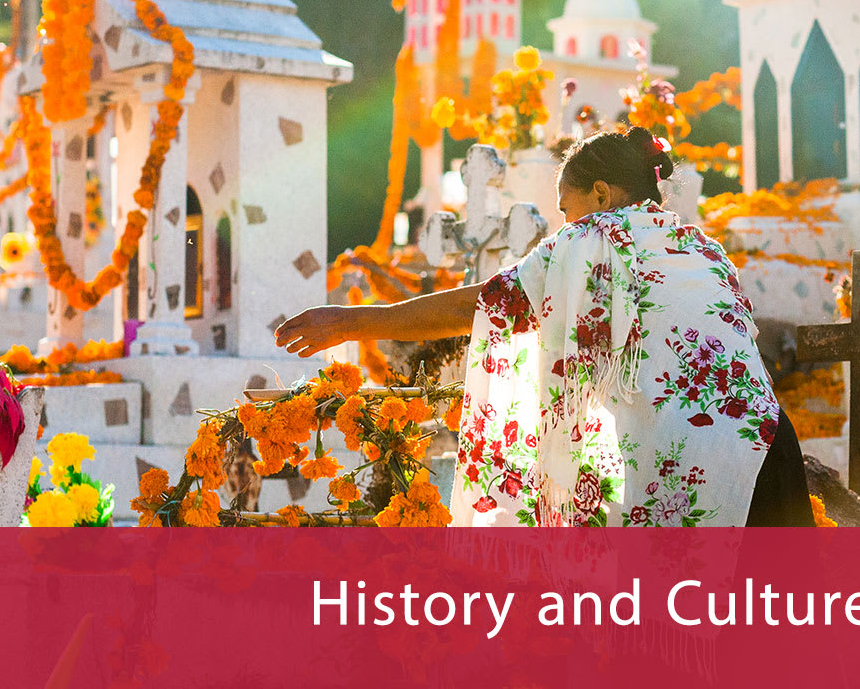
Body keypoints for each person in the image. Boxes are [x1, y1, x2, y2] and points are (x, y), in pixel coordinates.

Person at [276, 126, 813, 527]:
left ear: (601, 196)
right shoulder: (701, 247)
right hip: (768, 452)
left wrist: (353, 320)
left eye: (567, 209)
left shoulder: (590, 240)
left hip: (701, 471)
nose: (563, 223)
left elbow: (480, 306)